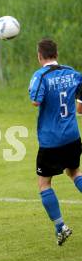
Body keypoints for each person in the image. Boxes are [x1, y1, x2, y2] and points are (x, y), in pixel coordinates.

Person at [28, 38, 82, 245]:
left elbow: (35, 101)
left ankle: (61, 227)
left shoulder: (40, 75)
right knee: (74, 172)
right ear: (56, 54)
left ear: (39, 55)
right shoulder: (72, 72)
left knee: (44, 183)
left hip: (51, 140)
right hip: (72, 136)